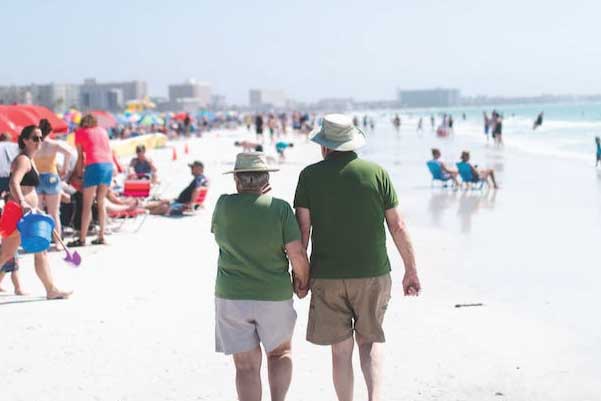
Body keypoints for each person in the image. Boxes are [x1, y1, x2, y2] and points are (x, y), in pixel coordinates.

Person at [293, 114, 420, 401]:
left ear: (325, 146)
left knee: (340, 351)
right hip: (373, 273)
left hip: (327, 277)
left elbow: (303, 231)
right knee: (369, 341)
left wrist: (300, 275)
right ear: (353, 144)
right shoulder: (377, 173)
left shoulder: (309, 176)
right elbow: (398, 226)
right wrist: (410, 270)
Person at [212, 152, 310, 401]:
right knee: (279, 354)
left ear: (237, 180)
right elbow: (296, 254)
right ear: (266, 178)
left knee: (245, 367)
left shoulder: (223, 205)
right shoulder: (279, 208)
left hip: (231, 295)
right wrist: (303, 280)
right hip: (273, 295)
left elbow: (221, 236)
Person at [0, 125, 71, 299]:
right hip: (18, 210)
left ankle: (51, 289)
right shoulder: (23, 160)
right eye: (35, 138)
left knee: (37, 249)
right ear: (25, 140)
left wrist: (35, 207)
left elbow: (28, 188)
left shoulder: (30, 159)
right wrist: (23, 203)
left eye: (41, 138)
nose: (39, 141)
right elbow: (13, 183)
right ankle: (51, 289)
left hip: (26, 211)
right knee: (6, 253)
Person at [68, 114, 114, 247]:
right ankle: (101, 236)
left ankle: (82, 239)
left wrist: (78, 174)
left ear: (82, 124)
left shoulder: (80, 132)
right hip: (108, 165)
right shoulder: (103, 131)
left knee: (87, 205)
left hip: (94, 165)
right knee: (100, 202)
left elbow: (81, 157)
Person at [35, 119, 73, 242]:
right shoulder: (54, 144)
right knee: (54, 212)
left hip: (38, 178)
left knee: (39, 212)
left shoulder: (35, 145)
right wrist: (65, 169)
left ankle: (42, 240)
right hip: (52, 177)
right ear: (50, 131)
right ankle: (58, 242)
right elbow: (69, 152)